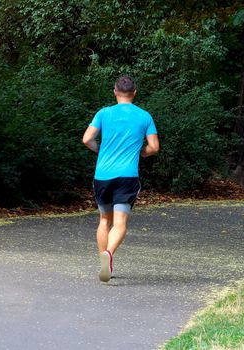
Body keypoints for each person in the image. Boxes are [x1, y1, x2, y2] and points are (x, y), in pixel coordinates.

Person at [82, 75, 159, 282]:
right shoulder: (144, 116)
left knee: (104, 220)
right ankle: (109, 254)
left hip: (103, 175)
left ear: (115, 91)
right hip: (127, 176)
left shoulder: (104, 113)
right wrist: (141, 153)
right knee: (120, 221)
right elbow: (154, 147)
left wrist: (100, 150)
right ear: (134, 93)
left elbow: (87, 139)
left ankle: (103, 263)